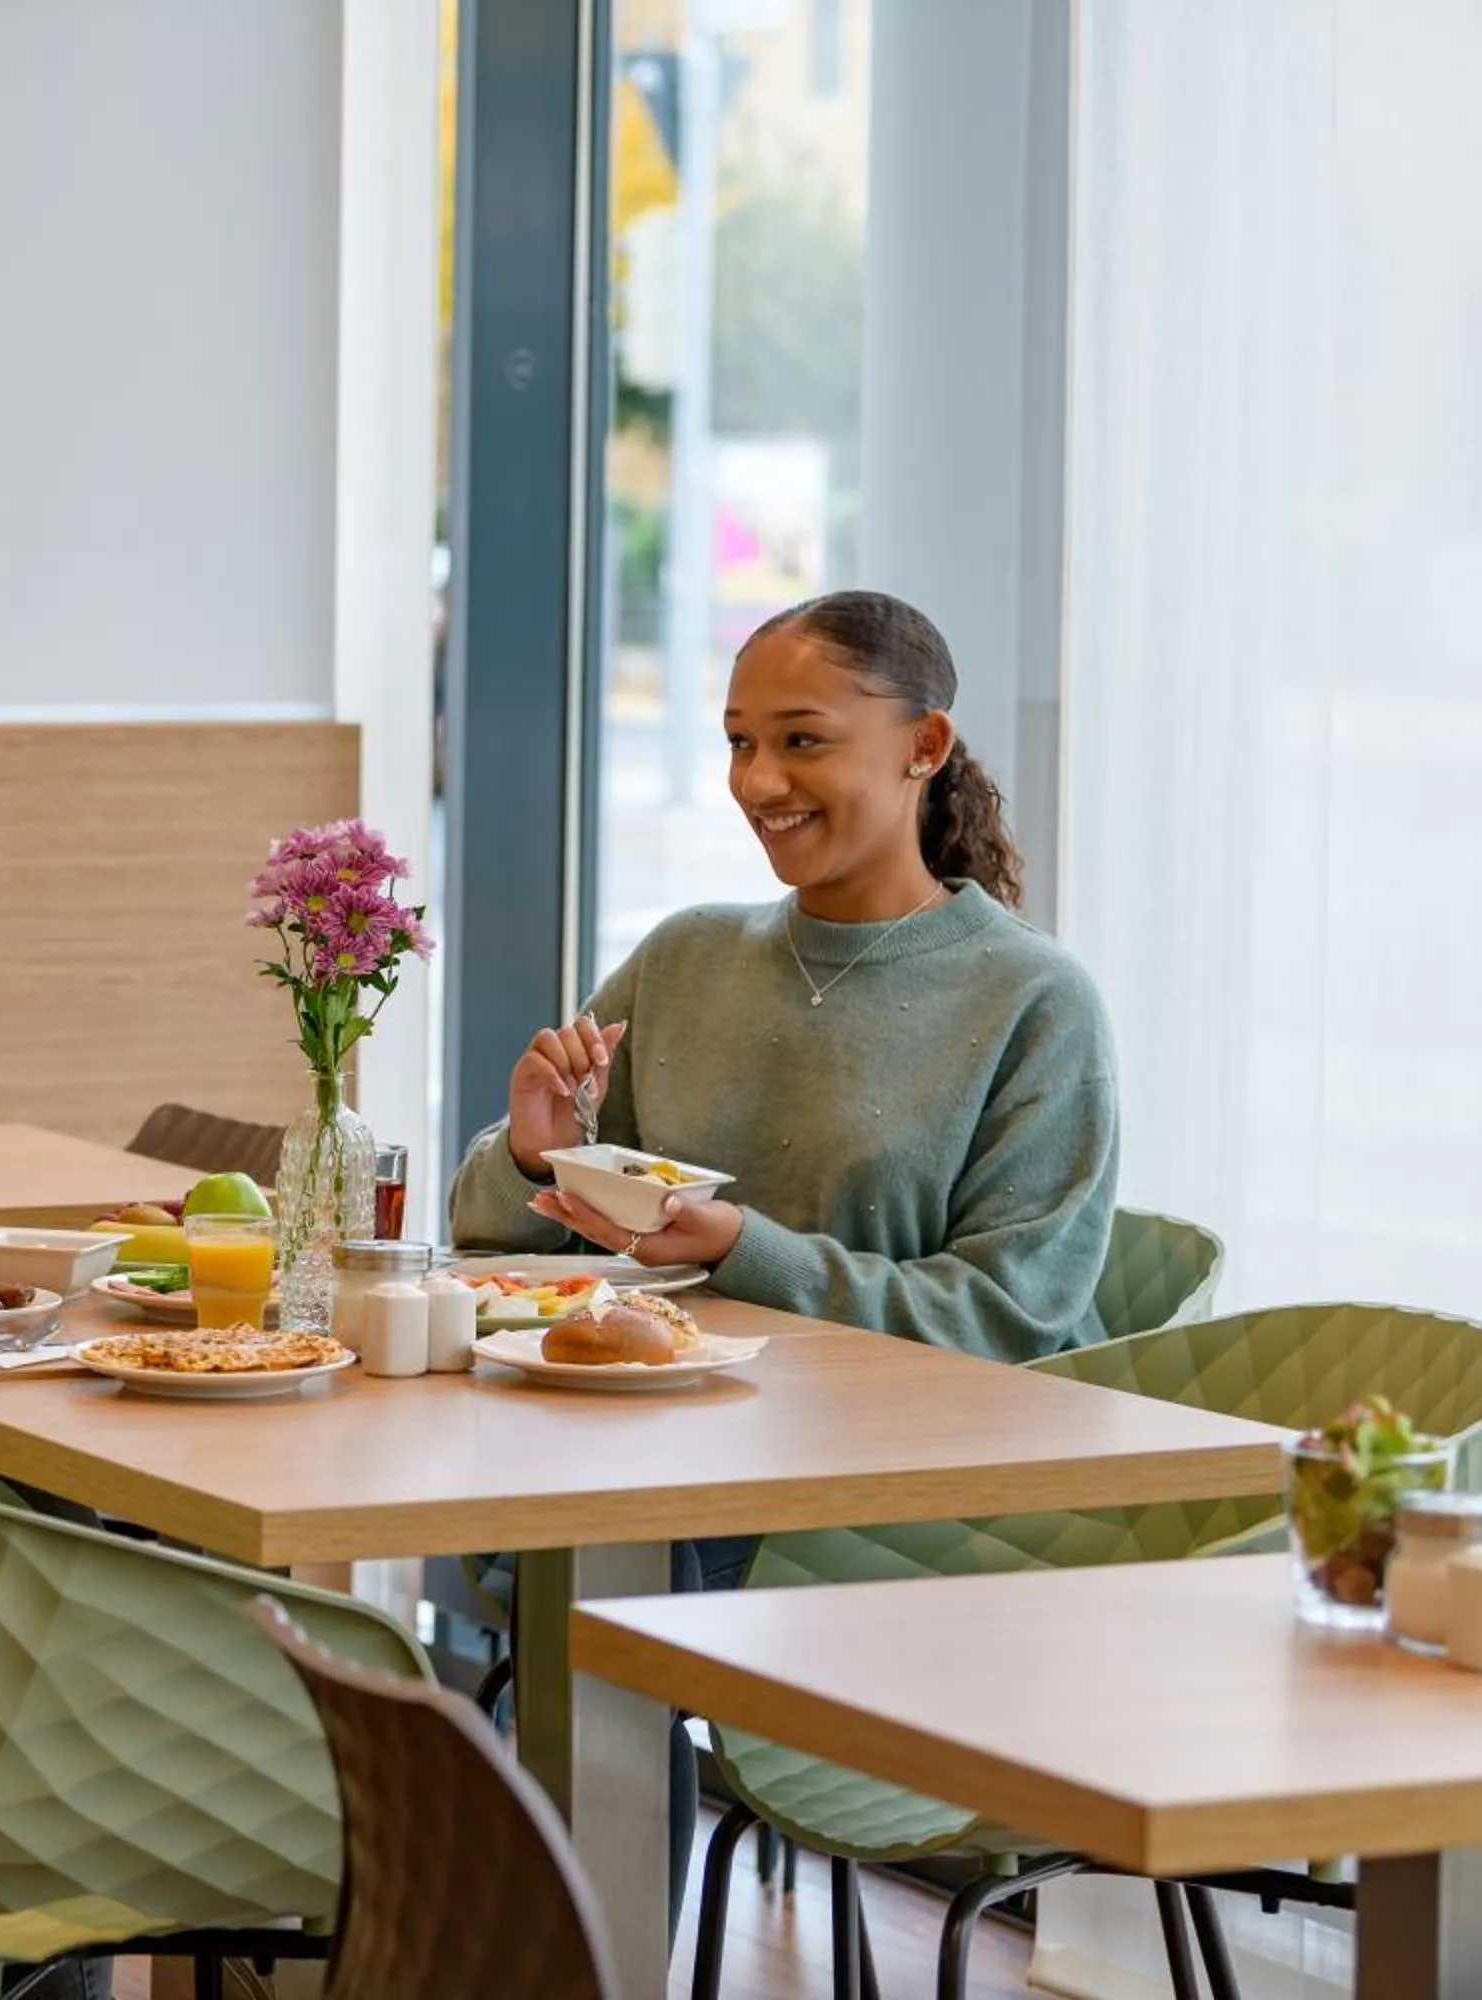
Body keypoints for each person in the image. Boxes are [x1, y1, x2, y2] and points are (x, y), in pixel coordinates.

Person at [446, 587, 1119, 1923]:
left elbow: (1011, 1321)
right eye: (739, 742)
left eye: (802, 741)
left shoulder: (1033, 1000)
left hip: (901, 1519)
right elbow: (495, 1240)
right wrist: (535, 1153)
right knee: (510, 1565)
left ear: (924, 745)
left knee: (567, 1595)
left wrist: (744, 1248)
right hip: (670, 1471)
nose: (759, 781)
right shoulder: (689, 956)